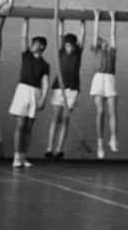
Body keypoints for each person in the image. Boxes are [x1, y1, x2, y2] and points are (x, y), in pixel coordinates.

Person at [9, 20, 50, 168]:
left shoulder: (45, 65)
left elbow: (45, 82)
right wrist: (26, 20)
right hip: (23, 90)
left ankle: (23, 156)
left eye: (36, 43)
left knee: (29, 127)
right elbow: (23, 37)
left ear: (42, 46)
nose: (32, 45)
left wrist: (44, 98)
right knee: (20, 125)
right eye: (32, 43)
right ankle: (16, 157)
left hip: (35, 92)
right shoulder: (26, 55)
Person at [46, 24, 85, 159]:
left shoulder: (78, 53)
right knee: (56, 117)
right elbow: (59, 36)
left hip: (72, 89)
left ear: (74, 46)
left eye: (71, 46)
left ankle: (59, 149)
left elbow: (82, 38)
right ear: (64, 45)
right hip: (59, 87)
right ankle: (50, 148)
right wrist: (61, 22)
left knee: (66, 119)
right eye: (67, 45)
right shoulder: (60, 51)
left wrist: (82, 24)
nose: (69, 48)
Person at [90, 12, 119, 158]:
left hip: (109, 78)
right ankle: (100, 144)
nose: (104, 42)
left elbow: (113, 35)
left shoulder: (112, 51)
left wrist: (113, 18)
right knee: (100, 112)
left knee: (112, 111)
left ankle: (113, 138)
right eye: (101, 42)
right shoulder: (97, 51)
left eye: (105, 41)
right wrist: (96, 18)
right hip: (98, 78)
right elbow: (95, 36)